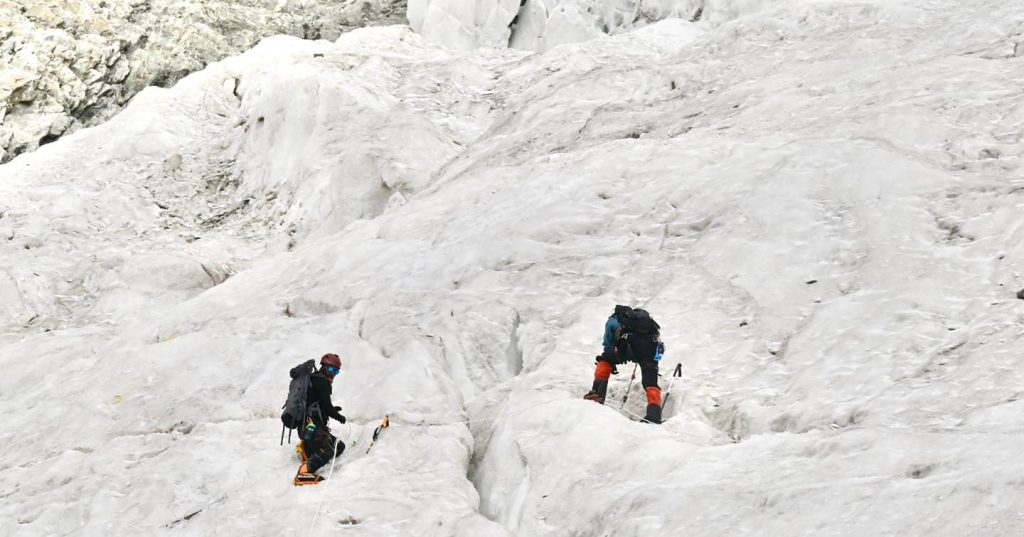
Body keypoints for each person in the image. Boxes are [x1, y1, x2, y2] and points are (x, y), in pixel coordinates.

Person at [584, 305, 664, 424]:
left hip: (629, 346)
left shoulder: (614, 320)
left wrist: (613, 357)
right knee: (650, 381)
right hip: (650, 349)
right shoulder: (648, 325)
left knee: (605, 360)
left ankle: (597, 394)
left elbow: (608, 344)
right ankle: (654, 415)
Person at [295, 353, 348, 485]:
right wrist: (338, 416)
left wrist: (332, 410)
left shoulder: (315, 379)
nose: (333, 374)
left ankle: (306, 450)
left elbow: (319, 404)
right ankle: (303, 472)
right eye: (331, 369)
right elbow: (326, 407)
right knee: (329, 451)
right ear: (323, 367)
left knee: (339, 446)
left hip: (308, 426)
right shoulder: (323, 382)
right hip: (310, 427)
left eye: (336, 371)